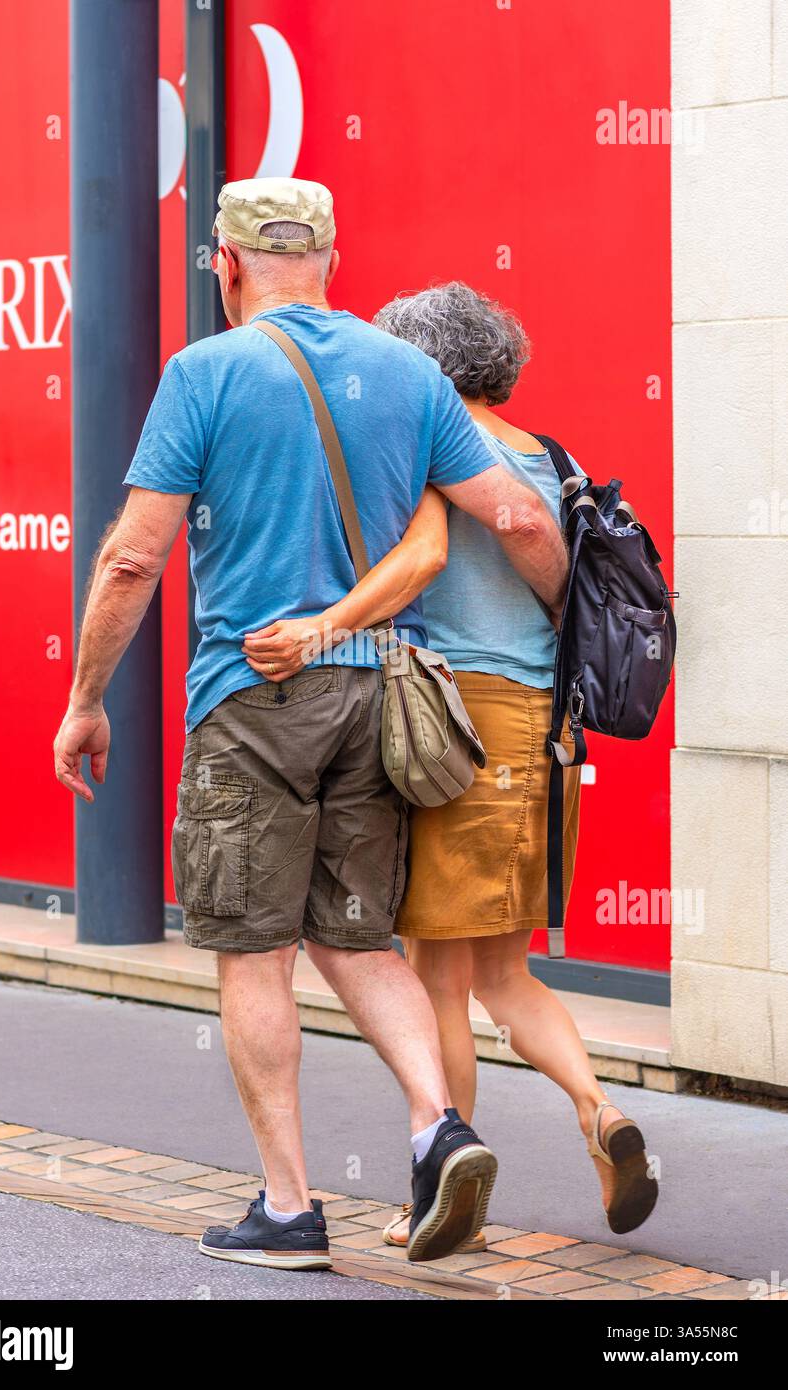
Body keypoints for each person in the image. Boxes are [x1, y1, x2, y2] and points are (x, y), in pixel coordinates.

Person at [53, 181, 570, 1270]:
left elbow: (132, 557)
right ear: (330, 257)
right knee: (355, 937)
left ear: (224, 265)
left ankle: (288, 1207)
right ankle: (440, 1125)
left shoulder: (204, 373)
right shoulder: (408, 372)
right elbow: (517, 515)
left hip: (252, 704)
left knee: (252, 952)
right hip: (376, 699)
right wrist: (570, 631)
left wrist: (86, 697)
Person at [251, 281, 659, 1246]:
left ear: (420, 366)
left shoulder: (441, 447)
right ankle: (601, 1114)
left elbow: (461, 547)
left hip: (459, 732)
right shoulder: (549, 455)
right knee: (505, 976)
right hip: (551, 733)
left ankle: (448, 1201)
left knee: (437, 978)